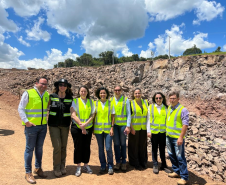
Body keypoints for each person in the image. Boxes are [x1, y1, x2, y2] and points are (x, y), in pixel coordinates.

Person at [18, 77, 49, 184]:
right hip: (31, 126)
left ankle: (38, 168)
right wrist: (26, 121)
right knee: (29, 149)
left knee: (39, 148)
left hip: (43, 126)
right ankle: (28, 172)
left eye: (45, 84)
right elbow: (20, 108)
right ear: (36, 83)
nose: (43, 86)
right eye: (42, 84)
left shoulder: (46, 95)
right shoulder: (28, 93)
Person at [48, 79, 73, 177]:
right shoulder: (52, 97)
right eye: (60, 85)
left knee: (63, 147)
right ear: (58, 86)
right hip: (53, 125)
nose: (62, 86)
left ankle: (63, 166)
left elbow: (73, 111)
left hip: (65, 126)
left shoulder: (70, 98)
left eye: (64, 85)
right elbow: (46, 108)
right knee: (57, 147)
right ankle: (56, 168)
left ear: (67, 87)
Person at [70, 86, 95, 177]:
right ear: (79, 92)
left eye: (85, 91)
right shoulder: (75, 101)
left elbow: (92, 115)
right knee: (78, 146)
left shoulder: (91, 102)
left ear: (87, 92)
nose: (83, 92)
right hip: (77, 127)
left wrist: (85, 125)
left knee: (87, 146)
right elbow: (73, 115)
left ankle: (86, 165)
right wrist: (82, 126)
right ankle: (78, 166)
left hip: (88, 127)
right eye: (81, 91)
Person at [166, 91, 189, 185]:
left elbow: (185, 125)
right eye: (170, 98)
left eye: (174, 98)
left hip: (177, 138)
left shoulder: (183, 110)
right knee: (171, 155)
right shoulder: (169, 107)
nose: (172, 100)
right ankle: (177, 171)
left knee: (180, 157)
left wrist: (181, 137)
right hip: (169, 136)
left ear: (178, 99)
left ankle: (184, 177)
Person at [147, 92, 171, 174]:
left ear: (162, 98)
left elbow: (168, 121)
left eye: (160, 98)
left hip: (163, 133)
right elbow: (148, 120)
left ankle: (164, 165)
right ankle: (155, 164)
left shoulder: (166, 108)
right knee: (154, 149)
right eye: (156, 98)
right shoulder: (150, 107)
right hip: (154, 132)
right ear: (154, 99)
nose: (158, 99)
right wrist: (148, 131)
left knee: (162, 149)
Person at [94, 87, 115, 175]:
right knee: (101, 148)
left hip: (107, 130)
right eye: (101, 93)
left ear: (107, 94)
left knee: (108, 147)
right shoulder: (95, 104)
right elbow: (93, 116)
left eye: (104, 93)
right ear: (99, 94)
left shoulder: (110, 104)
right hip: (98, 130)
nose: (102, 95)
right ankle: (103, 165)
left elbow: (113, 116)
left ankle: (110, 165)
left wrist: (112, 127)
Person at [110, 85, 131, 171]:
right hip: (114, 126)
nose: (117, 92)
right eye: (116, 90)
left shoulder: (125, 100)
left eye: (119, 90)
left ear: (121, 91)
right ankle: (118, 162)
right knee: (116, 144)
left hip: (123, 126)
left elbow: (129, 113)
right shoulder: (111, 100)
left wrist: (128, 126)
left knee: (123, 144)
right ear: (113, 91)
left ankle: (124, 162)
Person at [128, 88, 148, 170]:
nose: (137, 95)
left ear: (141, 94)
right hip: (134, 128)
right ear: (133, 94)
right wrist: (131, 128)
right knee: (134, 145)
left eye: (139, 93)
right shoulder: (131, 103)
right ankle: (134, 162)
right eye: (136, 93)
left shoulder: (146, 102)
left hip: (143, 128)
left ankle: (142, 161)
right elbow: (128, 117)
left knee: (143, 145)